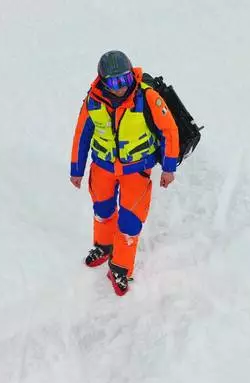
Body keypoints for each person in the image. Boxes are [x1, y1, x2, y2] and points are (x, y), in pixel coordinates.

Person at [69, 50, 180, 296]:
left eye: (126, 79)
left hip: (136, 171)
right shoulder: (93, 101)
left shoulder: (147, 97)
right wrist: (77, 169)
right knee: (102, 210)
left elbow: (169, 130)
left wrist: (169, 167)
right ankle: (104, 246)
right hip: (103, 168)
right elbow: (82, 134)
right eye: (114, 82)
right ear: (102, 82)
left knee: (130, 221)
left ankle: (120, 267)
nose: (121, 87)